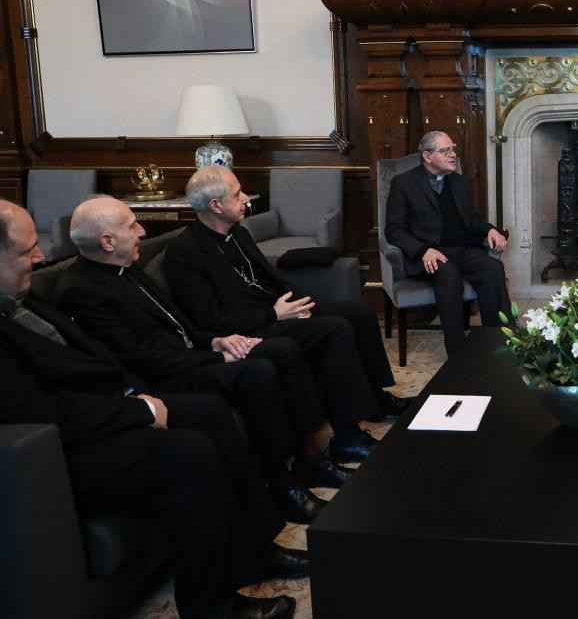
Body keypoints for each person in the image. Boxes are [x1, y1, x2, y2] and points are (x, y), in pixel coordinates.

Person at [0, 201, 303, 619]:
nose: (40, 256)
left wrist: (199, 351)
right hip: (58, 453)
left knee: (211, 414)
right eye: (26, 250)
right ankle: (211, 606)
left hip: (110, 408)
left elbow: (97, 360)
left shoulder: (21, 298)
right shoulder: (62, 292)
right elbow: (40, 410)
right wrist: (138, 410)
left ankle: (256, 547)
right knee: (190, 454)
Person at [57, 196, 355, 522]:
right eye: (132, 226)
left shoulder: (125, 266)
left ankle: (308, 457)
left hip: (189, 355)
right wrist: (211, 357)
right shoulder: (82, 291)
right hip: (167, 376)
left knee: (278, 349)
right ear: (107, 241)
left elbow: (178, 322)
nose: (142, 232)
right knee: (256, 371)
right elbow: (142, 357)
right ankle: (281, 483)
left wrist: (215, 339)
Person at [163, 166, 409, 464]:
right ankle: (347, 437)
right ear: (215, 205)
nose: (246, 199)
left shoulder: (238, 233)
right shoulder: (185, 253)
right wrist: (274, 315)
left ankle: (376, 398)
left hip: (281, 312)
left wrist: (300, 305)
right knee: (334, 329)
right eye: (237, 194)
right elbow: (210, 321)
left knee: (358, 312)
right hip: (254, 327)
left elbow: (271, 277)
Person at [384, 130, 513, 357]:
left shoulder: (460, 182)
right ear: (427, 156)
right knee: (448, 273)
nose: (453, 155)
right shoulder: (403, 183)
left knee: (493, 268)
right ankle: (458, 353)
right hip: (430, 254)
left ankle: (500, 341)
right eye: (445, 151)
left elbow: (471, 219)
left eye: (453, 149)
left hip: (462, 249)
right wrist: (423, 250)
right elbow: (394, 230)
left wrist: (490, 229)